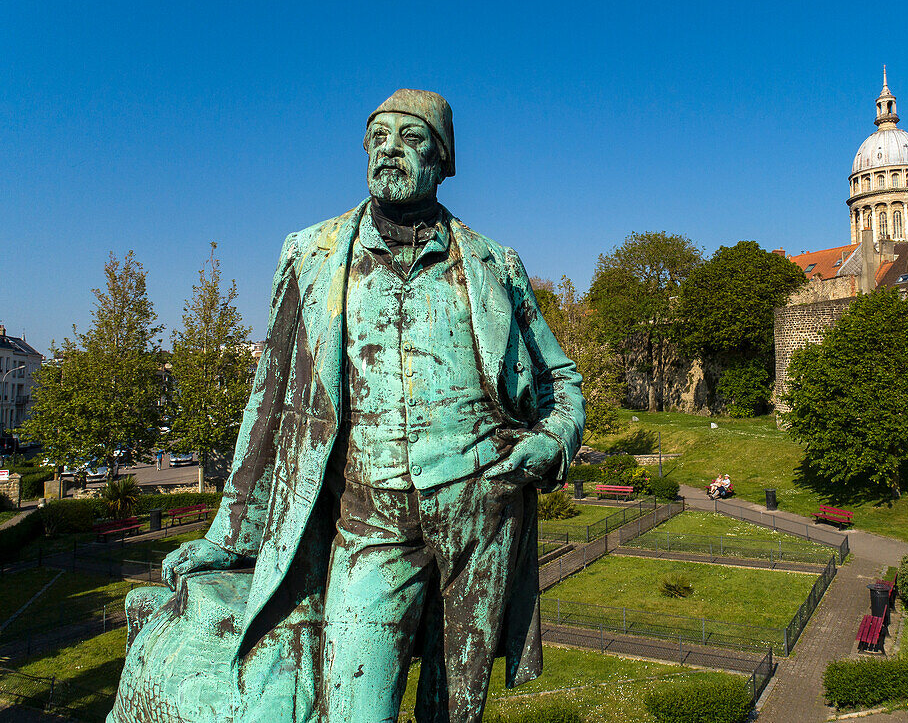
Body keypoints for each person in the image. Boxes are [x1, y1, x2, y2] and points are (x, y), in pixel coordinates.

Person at [109, 90, 585, 723]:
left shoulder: (495, 263)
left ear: (444, 162)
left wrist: (552, 439)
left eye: (412, 139)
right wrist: (231, 533)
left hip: (481, 508)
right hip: (370, 518)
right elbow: (269, 400)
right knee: (356, 705)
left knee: (456, 710)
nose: (390, 149)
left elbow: (561, 380)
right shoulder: (311, 254)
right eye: (378, 137)